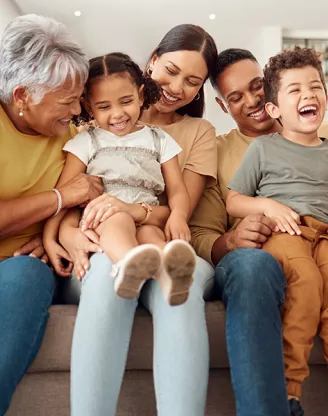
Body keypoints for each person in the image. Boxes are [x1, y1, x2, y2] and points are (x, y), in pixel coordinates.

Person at [190, 48, 328, 416]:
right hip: (282, 237)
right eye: (236, 97)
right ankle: (290, 392)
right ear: (222, 104)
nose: (253, 102)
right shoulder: (241, 150)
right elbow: (226, 209)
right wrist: (251, 221)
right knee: (306, 282)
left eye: (256, 89)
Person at [58, 25, 218, 416]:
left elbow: (175, 201)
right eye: (171, 70)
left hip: (150, 225)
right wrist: (62, 234)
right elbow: (64, 197)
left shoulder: (183, 135)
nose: (177, 87)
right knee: (106, 273)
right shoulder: (89, 133)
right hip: (101, 230)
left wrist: (153, 214)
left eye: (192, 81)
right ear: (152, 64)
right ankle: (130, 263)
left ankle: (162, 270)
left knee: (172, 270)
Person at [0, 14, 102, 415]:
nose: (77, 109)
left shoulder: (76, 140)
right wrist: (59, 198)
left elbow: (89, 204)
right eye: (66, 101)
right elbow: (71, 196)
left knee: (26, 275)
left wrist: (52, 235)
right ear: (22, 95)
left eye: (79, 98)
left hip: (25, 267)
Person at [44, 52, 196, 305]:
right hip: (102, 217)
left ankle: (171, 278)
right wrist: (52, 237)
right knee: (119, 218)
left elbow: (178, 189)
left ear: (141, 95)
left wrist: (179, 216)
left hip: (144, 215)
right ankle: (127, 263)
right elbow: (63, 194)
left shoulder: (160, 140)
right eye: (104, 107)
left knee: (152, 237)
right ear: (88, 106)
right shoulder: (86, 141)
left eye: (126, 101)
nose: (117, 114)